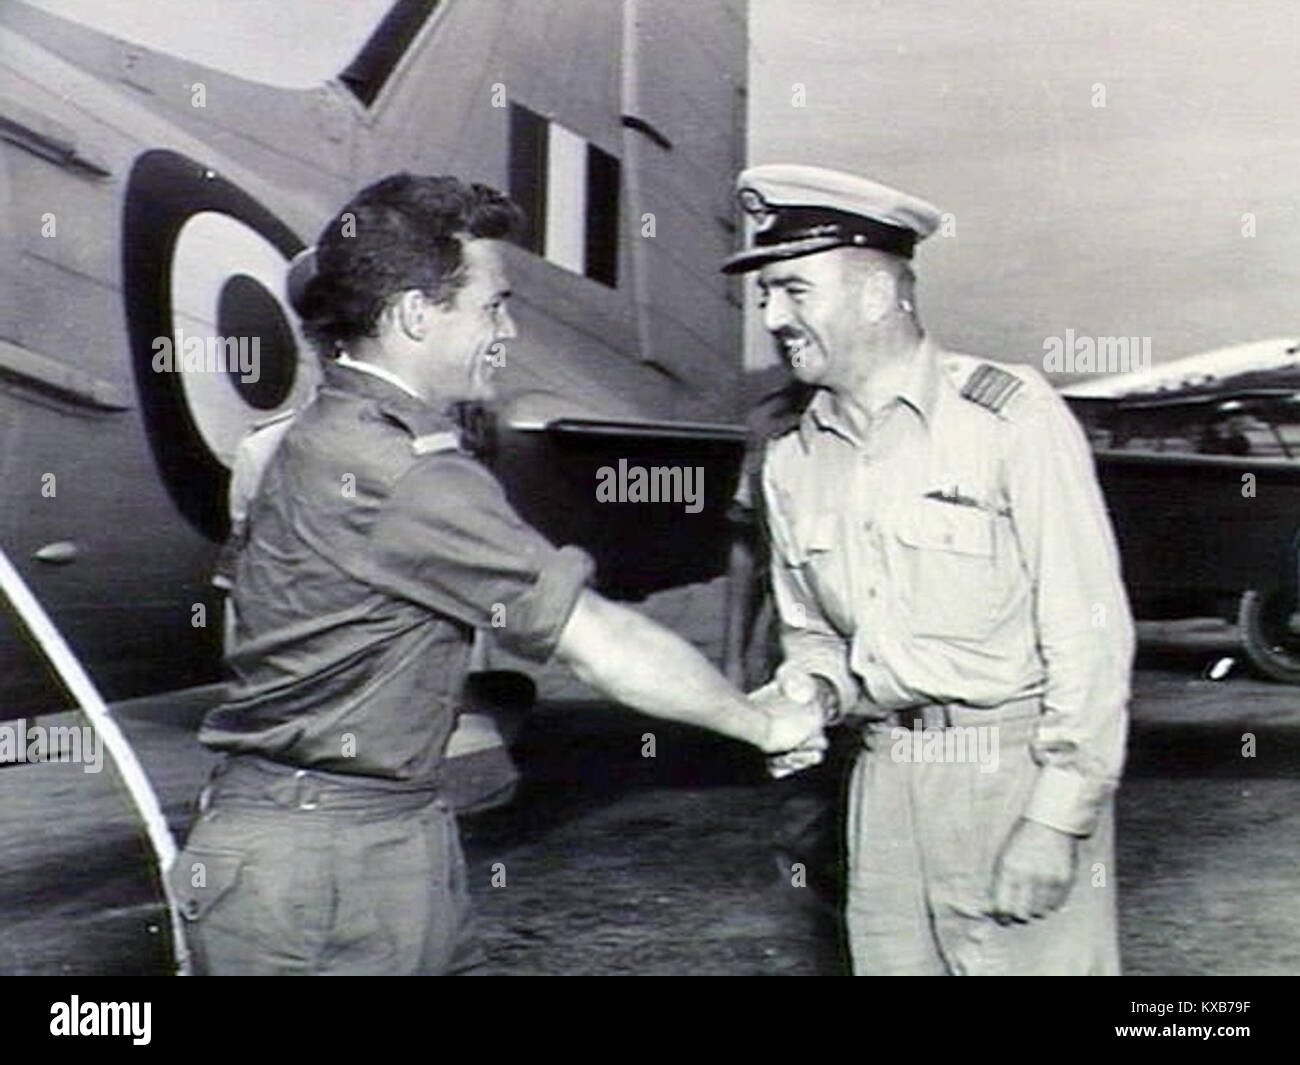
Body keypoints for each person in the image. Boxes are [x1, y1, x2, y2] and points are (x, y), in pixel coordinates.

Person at [170, 173, 823, 975]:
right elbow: (595, 639)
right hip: (330, 861)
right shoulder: (407, 469)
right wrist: (765, 724)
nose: (506, 330)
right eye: (492, 305)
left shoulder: (301, 444)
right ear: (416, 313)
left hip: (354, 828)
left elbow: (243, 632)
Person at [730, 164, 1134, 976]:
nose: (772, 316)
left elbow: (1090, 632)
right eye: (766, 294)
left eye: (794, 290)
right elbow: (813, 636)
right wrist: (807, 693)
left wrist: (1056, 820)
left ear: (879, 295)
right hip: (880, 784)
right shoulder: (790, 457)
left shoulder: (1007, 417)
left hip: (1007, 776)